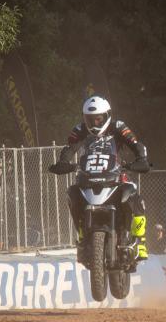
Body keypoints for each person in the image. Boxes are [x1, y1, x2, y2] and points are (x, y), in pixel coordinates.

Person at [49, 96, 150, 265]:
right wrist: (63, 163)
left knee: (133, 194)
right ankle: (82, 232)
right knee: (72, 192)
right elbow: (70, 148)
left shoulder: (118, 126)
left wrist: (141, 159)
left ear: (107, 115)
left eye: (98, 118)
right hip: (88, 177)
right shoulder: (80, 129)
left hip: (116, 175)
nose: (94, 123)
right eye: (90, 119)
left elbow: (136, 144)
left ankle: (140, 241)